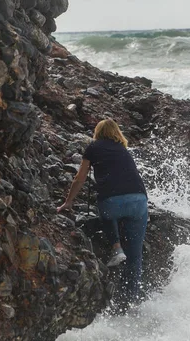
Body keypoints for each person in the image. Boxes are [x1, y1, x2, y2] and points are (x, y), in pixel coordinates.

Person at [57, 118, 148, 303]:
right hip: (139, 200)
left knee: (108, 213)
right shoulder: (123, 149)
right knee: (135, 257)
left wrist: (68, 202)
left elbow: (80, 178)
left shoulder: (93, 147)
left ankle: (116, 249)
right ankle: (131, 301)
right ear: (117, 132)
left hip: (112, 203)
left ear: (98, 133)